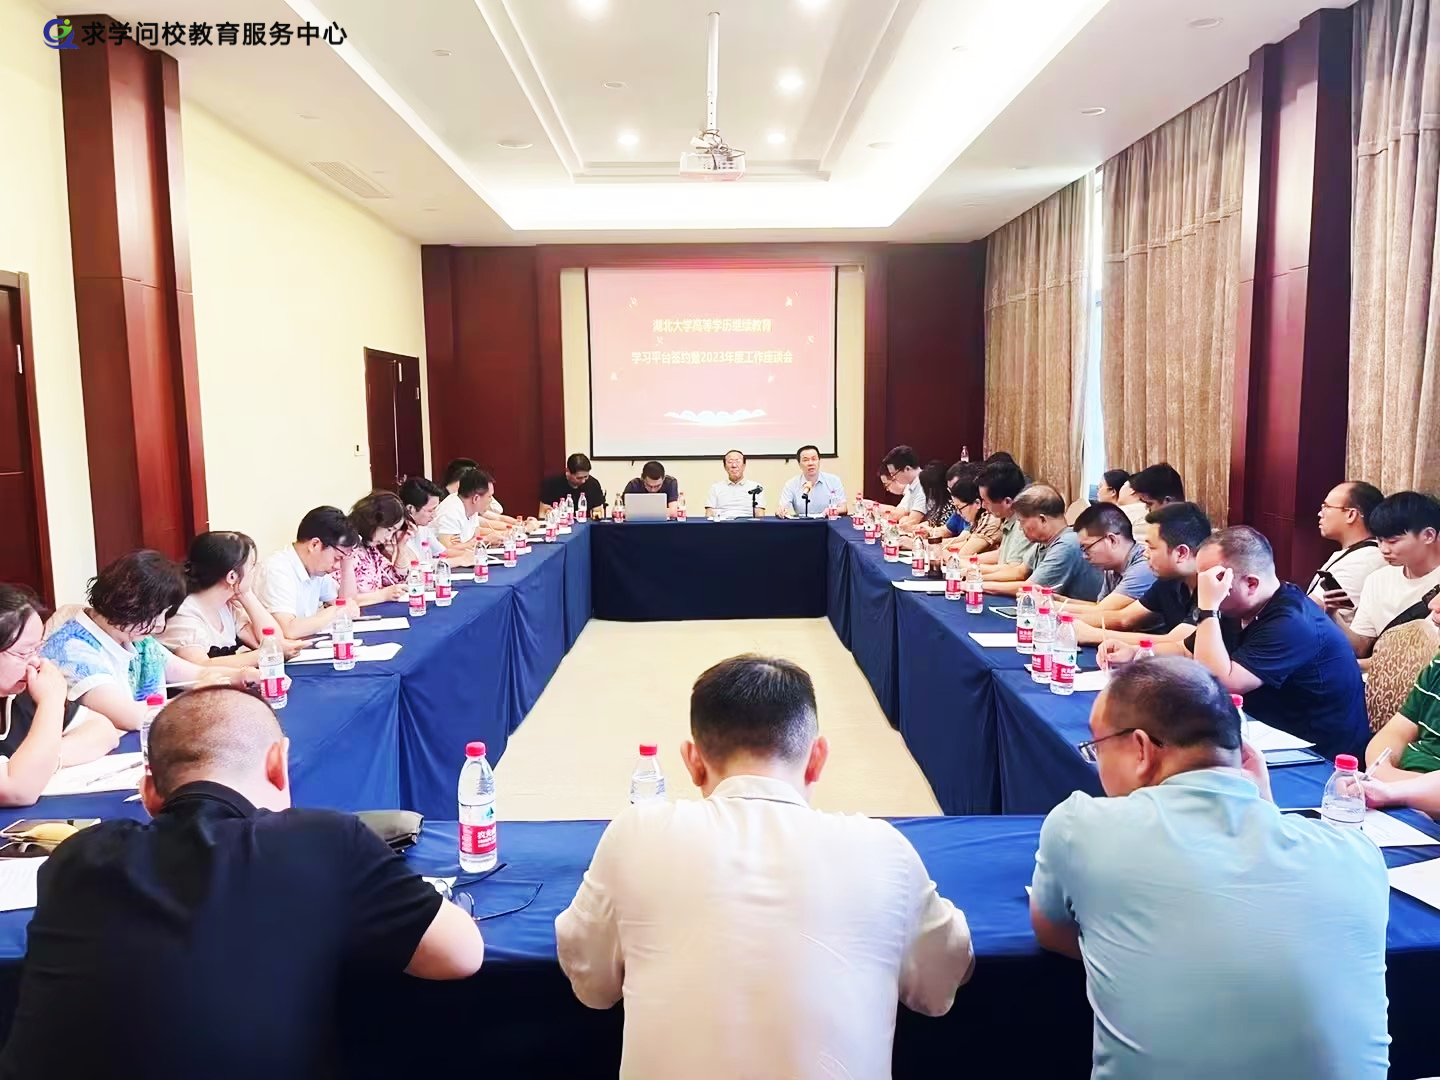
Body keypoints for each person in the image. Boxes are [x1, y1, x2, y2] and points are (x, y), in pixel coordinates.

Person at [0, 686, 484, 1080]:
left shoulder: (74, 859)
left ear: (148, 791)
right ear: (277, 764)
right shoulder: (323, 839)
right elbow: (460, 955)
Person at [555, 655, 974, 1079]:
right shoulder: (884, 850)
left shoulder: (636, 834)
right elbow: (941, 983)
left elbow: (591, 985)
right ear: (818, 758)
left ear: (693, 761)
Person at [1032, 657, 1389, 1080]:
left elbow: (1053, 931)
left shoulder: (1080, 826)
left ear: (1141, 750)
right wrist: (1265, 809)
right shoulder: (1358, 854)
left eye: (1098, 748)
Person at [1100, 527, 1370, 760]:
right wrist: (1137, 653)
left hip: (1316, 757)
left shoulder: (1293, 621)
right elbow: (1186, 649)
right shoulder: (1238, 606)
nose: (1204, 587)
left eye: (1212, 579)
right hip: (1258, 734)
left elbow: (1221, 682)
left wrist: (1207, 609)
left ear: (1251, 583)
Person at [42, 551, 255, 732]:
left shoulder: (133, 635)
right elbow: (132, 717)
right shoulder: (72, 649)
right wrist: (199, 696)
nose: (159, 625)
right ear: (128, 603)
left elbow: (195, 674)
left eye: (164, 615)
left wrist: (240, 676)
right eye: (155, 615)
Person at [0, 586, 120, 806]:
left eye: (36, 650)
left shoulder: (18, 692)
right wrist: (51, 701)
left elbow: (104, 730)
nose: (35, 662)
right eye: (23, 653)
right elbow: (18, 790)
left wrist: (44, 761)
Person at [1072, 502, 1213, 647]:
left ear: (1181, 553)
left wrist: (1094, 635)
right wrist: (1068, 621)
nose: (1145, 554)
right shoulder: (1169, 580)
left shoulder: (1212, 587)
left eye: (1151, 547)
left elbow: (1177, 642)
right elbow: (1124, 618)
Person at [163, 532, 304, 668]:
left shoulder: (228, 606)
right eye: (252, 566)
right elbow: (200, 666)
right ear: (231, 576)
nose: (255, 570)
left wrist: (246, 595)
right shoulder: (183, 613)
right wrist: (265, 653)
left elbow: (272, 641)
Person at [1333, 491, 1440, 660]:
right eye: (1380, 540)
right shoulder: (1377, 580)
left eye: (1393, 541)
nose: (1383, 549)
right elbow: (1361, 647)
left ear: (1428, 535)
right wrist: (1333, 615)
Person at [1363, 592, 1440, 781]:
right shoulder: (1437, 666)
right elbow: (1395, 732)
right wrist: (1381, 772)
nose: (1433, 604)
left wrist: (1392, 787)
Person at [979, 485, 1103, 600]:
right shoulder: (1042, 543)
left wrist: (979, 585)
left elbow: (1031, 588)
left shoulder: (1067, 544)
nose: (1021, 528)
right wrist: (977, 577)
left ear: (1042, 520)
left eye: (1022, 522)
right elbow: (1019, 572)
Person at [256, 507, 361, 639]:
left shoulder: (315, 567)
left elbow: (347, 603)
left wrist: (347, 560)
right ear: (314, 545)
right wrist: (336, 611)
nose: (337, 566)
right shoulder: (276, 570)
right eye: (337, 558)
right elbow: (288, 630)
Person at [1306, 480, 1386, 613]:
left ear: (1351, 515)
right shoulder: (1357, 553)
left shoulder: (1364, 560)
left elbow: (1309, 611)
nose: (1320, 513)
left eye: (1326, 507)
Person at [1064, 502, 1155, 611]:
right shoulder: (1112, 569)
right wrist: (1059, 600)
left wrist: (1053, 605)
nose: (1084, 556)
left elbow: (1102, 612)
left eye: (1086, 547)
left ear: (1112, 540)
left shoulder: (1144, 567)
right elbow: (1099, 606)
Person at [342, 492, 411, 607]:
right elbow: (343, 600)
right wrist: (382, 595)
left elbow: (396, 579)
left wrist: (401, 546)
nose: (388, 537)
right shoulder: (343, 550)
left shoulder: (369, 549)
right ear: (373, 521)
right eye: (389, 530)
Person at [965, 462, 1036, 567]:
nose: (983, 506)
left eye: (986, 501)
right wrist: (966, 561)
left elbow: (1012, 570)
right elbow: (1001, 554)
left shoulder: (1022, 526)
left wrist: (972, 567)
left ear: (1007, 502)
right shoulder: (1009, 518)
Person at [434, 467, 504, 553]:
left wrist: (466, 544)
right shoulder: (450, 512)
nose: (491, 501)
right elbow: (447, 551)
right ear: (476, 499)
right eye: (489, 497)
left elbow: (476, 538)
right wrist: (484, 540)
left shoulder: (471, 506)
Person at [397, 475, 455, 565]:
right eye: (430, 510)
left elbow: (442, 552)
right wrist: (461, 561)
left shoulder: (423, 527)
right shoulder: (397, 533)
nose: (434, 515)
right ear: (410, 509)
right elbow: (415, 565)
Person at [777, 444, 846, 518]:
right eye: (805, 460)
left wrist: (832, 511)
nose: (810, 463)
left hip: (827, 521)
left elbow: (843, 508)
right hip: (802, 523)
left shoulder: (834, 481)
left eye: (814, 459)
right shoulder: (791, 484)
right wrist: (781, 511)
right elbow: (782, 507)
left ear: (819, 461)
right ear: (799, 464)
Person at [540, 453, 606, 517]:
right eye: (579, 478)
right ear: (567, 471)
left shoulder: (593, 484)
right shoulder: (552, 484)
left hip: (584, 522)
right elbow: (543, 512)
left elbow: (597, 512)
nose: (583, 481)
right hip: (559, 522)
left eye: (586, 477)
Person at [706, 449, 763, 519]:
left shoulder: (755, 487)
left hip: (747, 523)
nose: (734, 465)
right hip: (723, 523)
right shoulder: (715, 488)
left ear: (744, 465)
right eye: (730, 462)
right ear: (725, 467)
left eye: (738, 461)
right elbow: (709, 513)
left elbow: (760, 514)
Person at [877, 445, 925, 525]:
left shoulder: (923, 485)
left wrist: (906, 518)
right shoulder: (911, 485)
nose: (894, 478)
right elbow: (899, 513)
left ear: (907, 469)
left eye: (894, 474)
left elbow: (910, 523)